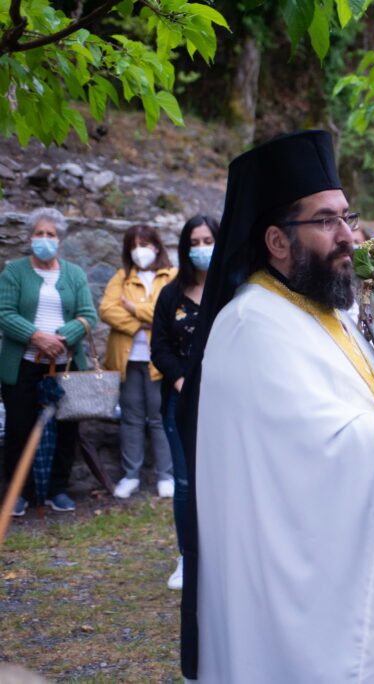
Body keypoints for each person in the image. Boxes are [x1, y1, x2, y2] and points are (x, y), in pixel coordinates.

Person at [175, 131, 374, 681]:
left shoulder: (320, 310)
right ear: (277, 241)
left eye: (347, 217)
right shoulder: (252, 324)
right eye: (326, 221)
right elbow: (316, 449)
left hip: (321, 565)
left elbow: (369, 405)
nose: (348, 236)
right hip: (283, 583)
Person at [0, 208, 97, 516]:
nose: (44, 239)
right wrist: (37, 337)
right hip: (24, 365)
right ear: (30, 238)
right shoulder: (14, 272)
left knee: (66, 429)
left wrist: (62, 338)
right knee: (19, 429)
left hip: (66, 366)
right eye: (39, 234)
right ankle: (20, 492)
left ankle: (58, 489)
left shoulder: (74, 274)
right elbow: (4, 313)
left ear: (60, 240)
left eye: (50, 234)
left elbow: (88, 315)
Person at [150, 215, 218, 591]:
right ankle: (186, 557)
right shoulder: (170, 294)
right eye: (195, 242)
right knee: (186, 481)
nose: (202, 248)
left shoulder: (231, 291)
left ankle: (221, 555)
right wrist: (182, 384)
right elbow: (159, 347)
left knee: (223, 480)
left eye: (208, 240)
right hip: (180, 403)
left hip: (225, 403)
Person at [100, 225, 176, 499]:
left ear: (156, 246)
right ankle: (130, 475)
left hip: (160, 361)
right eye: (133, 245)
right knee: (130, 418)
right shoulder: (121, 277)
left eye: (143, 244)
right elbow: (107, 310)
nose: (138, 250)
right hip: (128, 359)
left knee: (159, 418)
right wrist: (140, 324)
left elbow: (171, 311)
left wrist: (133, 308)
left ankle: (166, 475)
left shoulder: (171, 276)